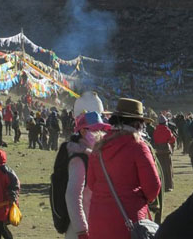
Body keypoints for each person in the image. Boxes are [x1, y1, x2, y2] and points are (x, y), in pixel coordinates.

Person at [86, 98, 161, 239]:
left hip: (98, 220)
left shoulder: (99, 146)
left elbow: (91, 183)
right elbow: (152, 187)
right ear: (137, 123)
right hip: (129, 221)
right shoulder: (138, 146)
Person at [65, 111, 110, 239]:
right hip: (82, 228)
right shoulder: (80, 159)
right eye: (96, 130)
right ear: (83, 132)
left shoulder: (92, 156)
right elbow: (72, 195)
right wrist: (82, 231)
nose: (101, 134)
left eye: (102, 129)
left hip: (90, 223)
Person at [154, 115, 176, 191]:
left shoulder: (156, 130)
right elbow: (172, 139)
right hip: (166, 151)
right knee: (168, 169)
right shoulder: (167, 130)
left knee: (160, 169)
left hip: (158, 151)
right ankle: (168, 186)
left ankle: (161, 185)